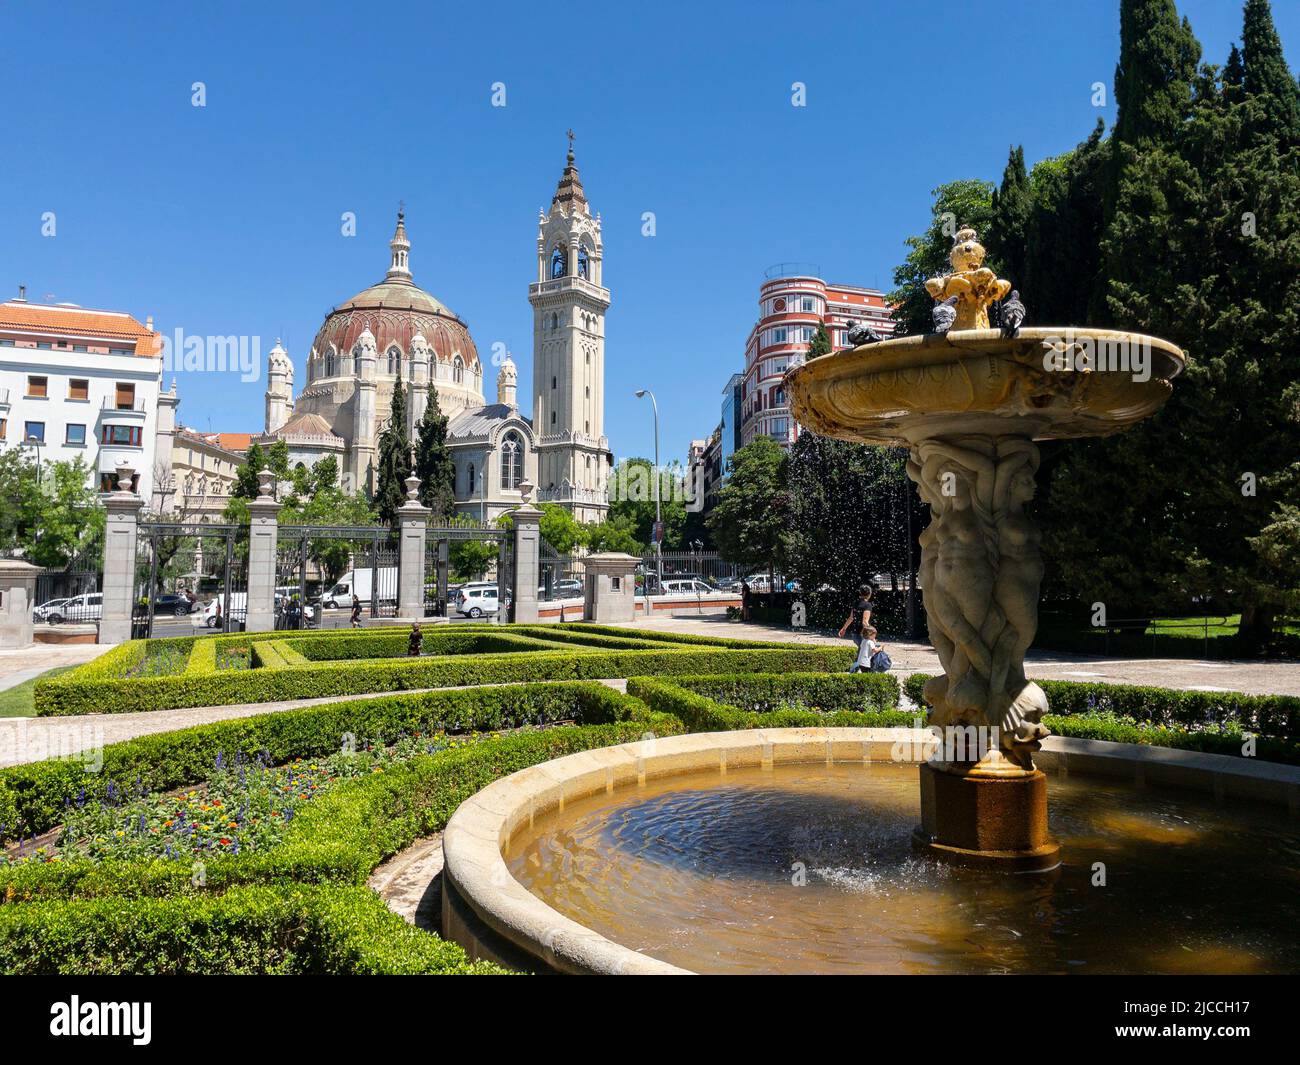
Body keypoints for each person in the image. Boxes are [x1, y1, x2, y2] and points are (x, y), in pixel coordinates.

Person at [837, 585, 874, 655]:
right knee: (865, 654)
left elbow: (851, 618)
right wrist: (871, 635)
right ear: (869, 593)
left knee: (862, 652)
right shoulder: (867, 605)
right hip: (863, 634)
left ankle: (858, 665)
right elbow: (865, 622)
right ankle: (857, 665)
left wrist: (843, 629)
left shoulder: (855, 603)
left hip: (854, 634)